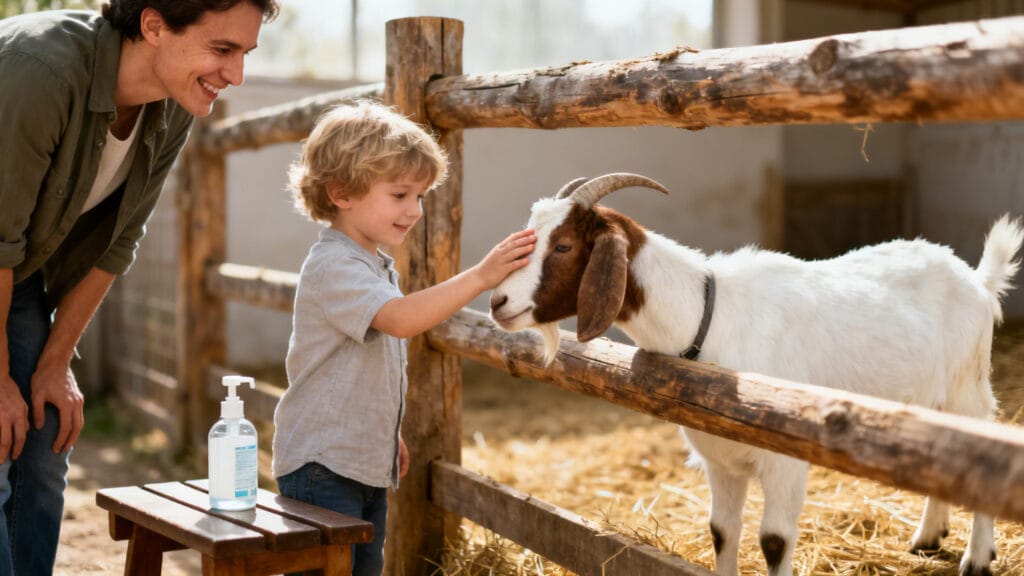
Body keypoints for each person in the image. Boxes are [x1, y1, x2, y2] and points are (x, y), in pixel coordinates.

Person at [0, 0, 278, 573]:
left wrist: (54, 364)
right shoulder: (40, 70)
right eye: (221, 49)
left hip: (15, 272)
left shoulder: (173, 104)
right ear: (153, 25)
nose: (237, 75)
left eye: (244, 54)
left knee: (46, 427)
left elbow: (118, 242)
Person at [273, 101, 536, 576]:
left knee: (364, 569)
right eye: (400, 195)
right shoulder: (335, 266)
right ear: (341, 192)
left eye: (420, 196)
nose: (415, 211)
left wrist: (385, 432)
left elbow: (364, 367)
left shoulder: (371, 264)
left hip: (359, 462)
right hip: (322, 467)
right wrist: (480, 276)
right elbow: (400, 320)